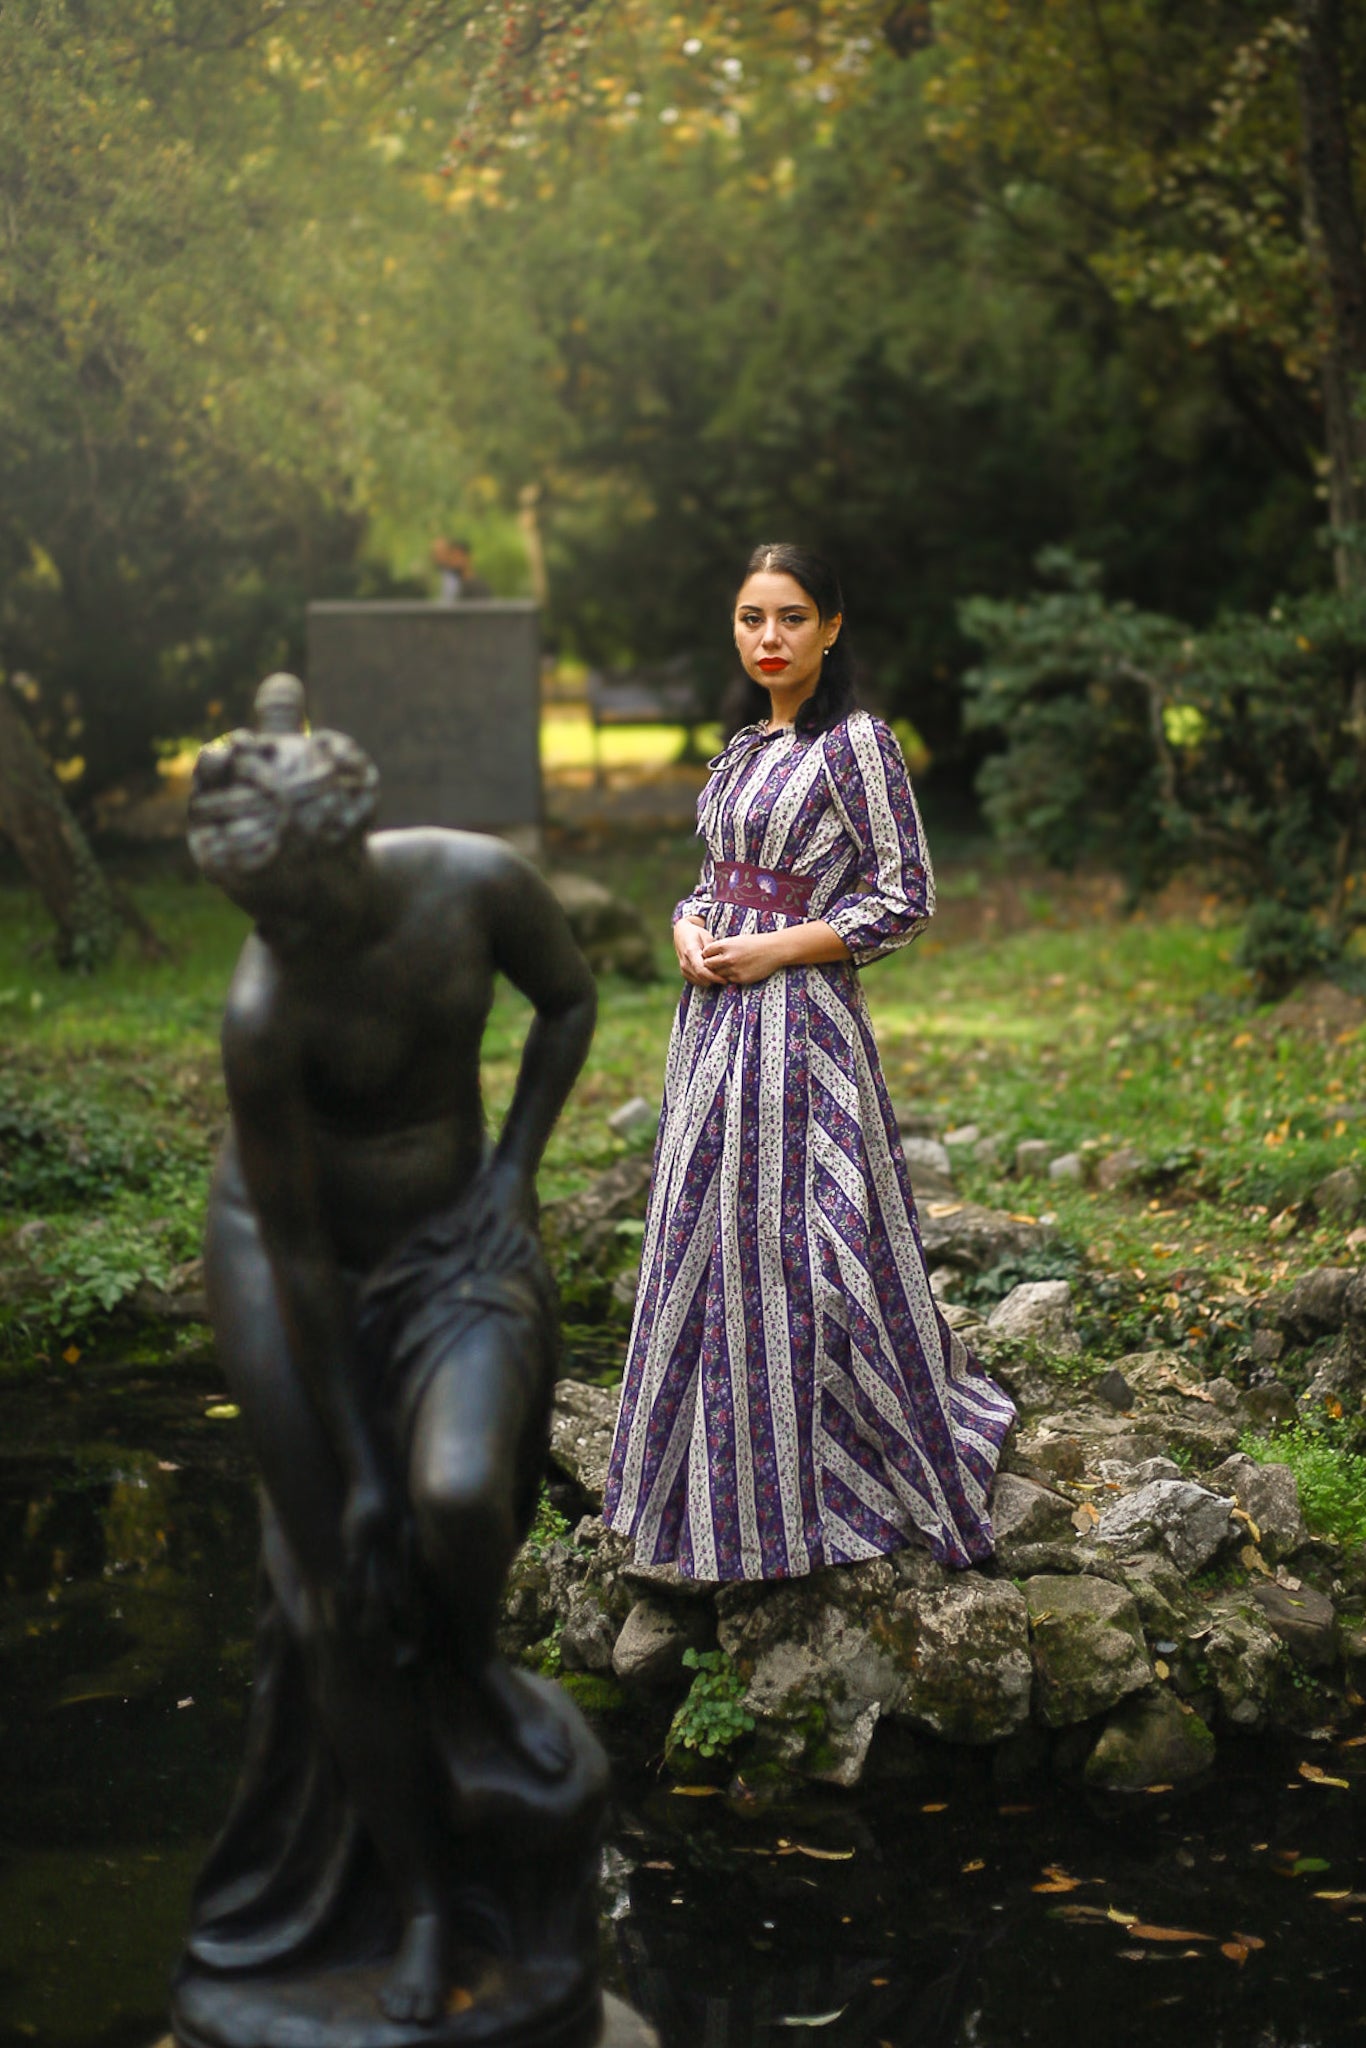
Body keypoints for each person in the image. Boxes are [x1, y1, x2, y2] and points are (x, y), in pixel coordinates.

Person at [176, 675, 603, 2032]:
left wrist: (515, 1175)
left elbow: (569, 1000)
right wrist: (356, 1469)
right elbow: (302, 1255)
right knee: (342, 1592)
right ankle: (419, 1898)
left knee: (462, 1496)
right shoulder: (266, 1008)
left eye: (291, 905)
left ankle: (469, 1675)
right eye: (256, 918)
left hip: (453, 1236)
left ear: (341, 849)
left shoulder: (473, 882)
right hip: (284, 1257)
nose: (277, 936)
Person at [604, 544, 1016, 1583]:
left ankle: (820, 1475)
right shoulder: (743, 750)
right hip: (711, 1025)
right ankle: (701, 1489)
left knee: (808, 1240)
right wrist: (687, 926)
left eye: (791, 617)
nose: (769, 638)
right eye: (752, 618)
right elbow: (712, 879)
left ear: (831, 628)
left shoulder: (856, 744)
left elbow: (905, 896)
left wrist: (778, 949)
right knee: (707, 1233)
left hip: (799, 1026)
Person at [432, 535, 492, 603]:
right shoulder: (455, 583)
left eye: (457, 556)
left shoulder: (478, 586)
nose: (453, 560)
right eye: (452, 556)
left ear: (466, 557)